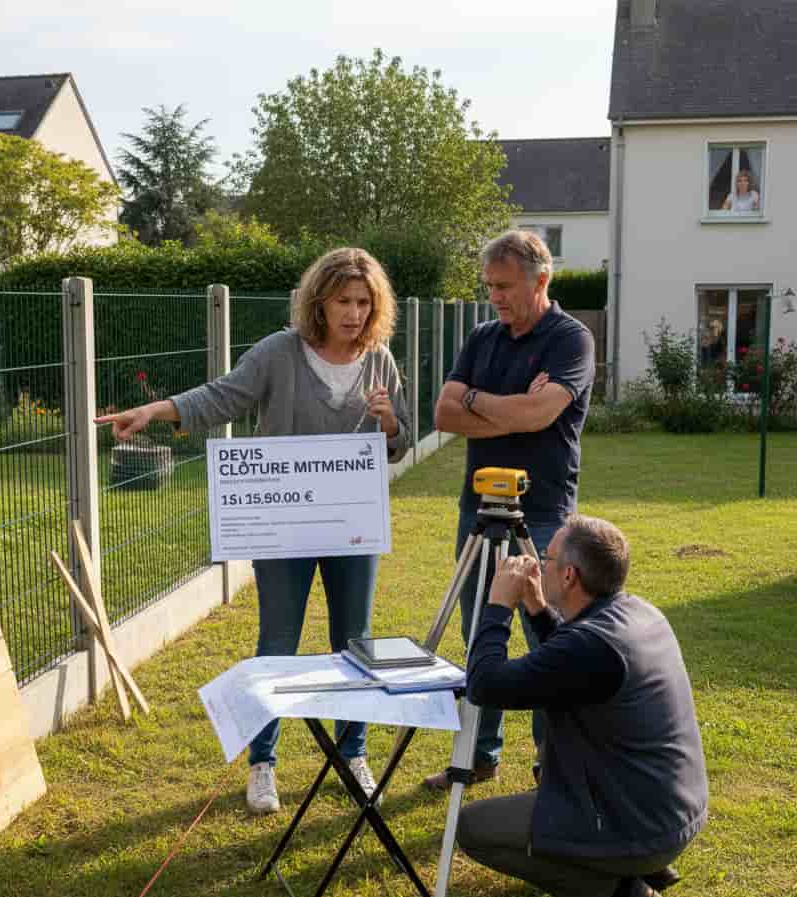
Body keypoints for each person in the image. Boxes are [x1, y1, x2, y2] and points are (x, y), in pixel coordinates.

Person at [101, 248, 411, 814]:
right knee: (277, 644)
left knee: (354, 642)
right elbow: (221, 397)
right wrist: (155, 411)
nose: (354, 313)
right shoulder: (279, 352)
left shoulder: (380, 360)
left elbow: (398, 441)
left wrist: (389, 421)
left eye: (364, 303)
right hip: (283, 528)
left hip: (352, 529)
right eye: (343, 301)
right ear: (319, 301)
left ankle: (353, 755)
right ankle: (262, 764)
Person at [454, 515, 708, 897]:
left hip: (643, 825)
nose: (539, 564)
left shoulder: (590, 646)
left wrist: (498, 606)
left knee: (474, 827)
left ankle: (625, 889)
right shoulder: (636, 612)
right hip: (672, 809)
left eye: (547, 558)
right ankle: (629, 862)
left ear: (570, 575)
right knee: (547, 768)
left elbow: (486, 685)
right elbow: (572, 661)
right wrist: (538, 609)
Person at [425, 229, 595, 789]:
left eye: (504, 286)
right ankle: (478, 755)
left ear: (541, 280)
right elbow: (444, 415)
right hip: (479, 510)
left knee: (551, 641)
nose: (494, 297)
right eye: (489, 286)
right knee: (480, 635)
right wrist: (513, 408)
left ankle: (554, 768)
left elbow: (539, 416)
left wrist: (478, 401)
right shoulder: (482, 337)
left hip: (543, 514)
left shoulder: (571, 340)